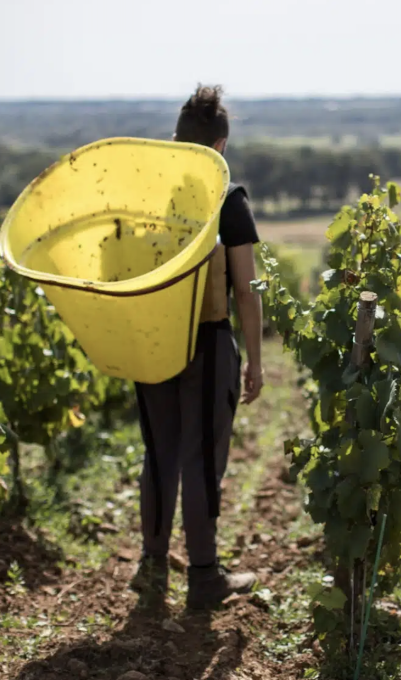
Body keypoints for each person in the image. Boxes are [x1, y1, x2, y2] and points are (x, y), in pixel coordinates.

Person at [130, 85, 264, 609]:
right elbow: (247, 290)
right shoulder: (227, 200)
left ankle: (153, 568)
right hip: (208, 342)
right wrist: (254, 358)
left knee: (159, 454)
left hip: (151, 339)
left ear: (176, 142)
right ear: (222, 147)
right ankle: (205, 577)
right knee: (202, 458)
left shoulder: (148, 202)